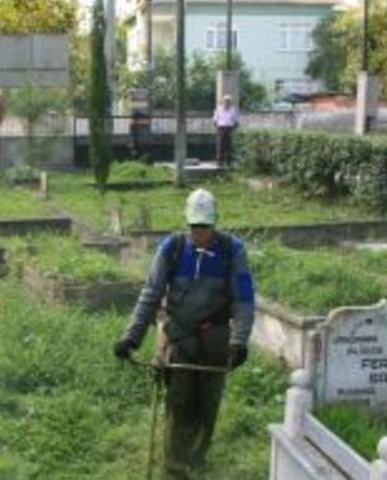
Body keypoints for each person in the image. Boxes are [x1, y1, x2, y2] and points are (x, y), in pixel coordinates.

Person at [113, 188, 255, 480]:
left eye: (205, 226)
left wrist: (239, 341)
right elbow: (151, 294)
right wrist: (131, 337)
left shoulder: (233, 250)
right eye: (195, 226)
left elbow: (243, 299)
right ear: (187, 222)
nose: (200, 232)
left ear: (214, 222)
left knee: (208, 404)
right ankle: (176, 466)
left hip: (215, 337)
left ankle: (197, 459)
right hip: (178, 336)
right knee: (179, 402)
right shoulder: (172, 248)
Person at [213, 95, 240, 167]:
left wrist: (233, 128)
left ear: (230, 102)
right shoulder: (218, 109)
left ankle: (229, 162)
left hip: (229, 128)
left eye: (228, 101)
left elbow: (236, 121)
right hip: (221, 128)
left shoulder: (233, 110)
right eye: (225, 101)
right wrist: (218, 128)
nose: (227, 102)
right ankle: (219, 162)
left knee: (229, 145)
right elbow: (215, 120)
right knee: (220, 145)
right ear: (223, 101)